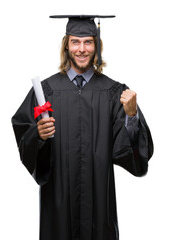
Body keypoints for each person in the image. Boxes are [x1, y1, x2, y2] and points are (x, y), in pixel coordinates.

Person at [12, 15, 153, 240]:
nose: (81, 49)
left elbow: (129, 154)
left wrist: (132, 116)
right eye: (75, 42)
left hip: (98, 201)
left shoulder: (113, 92)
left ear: (96, 46)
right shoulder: (46, 91)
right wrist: (37, 135)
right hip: (57, 199)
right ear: (66, 45)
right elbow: (23, 132)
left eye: (88, 42)